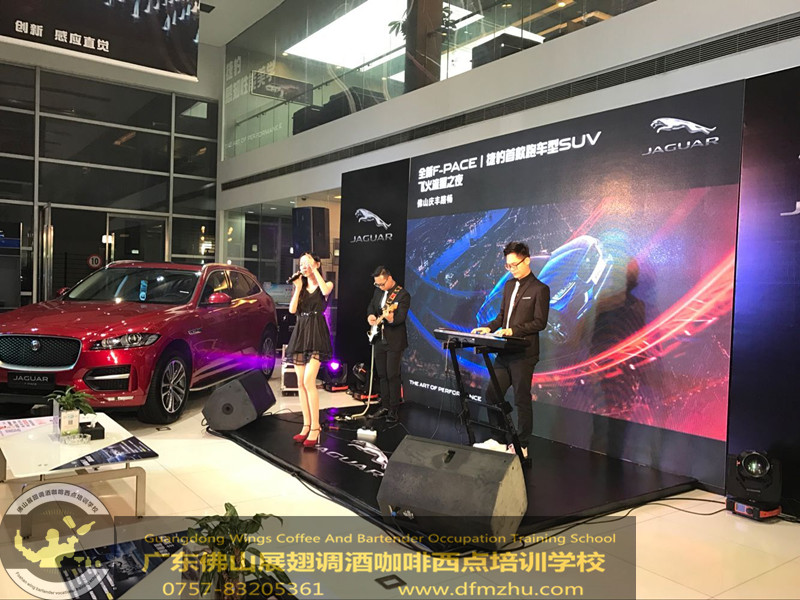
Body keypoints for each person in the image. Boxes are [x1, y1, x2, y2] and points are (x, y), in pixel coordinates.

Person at [471, 241, 549, 456]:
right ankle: (498, 439)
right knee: (492, 394)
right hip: (504, 352)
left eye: (515, 265)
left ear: (527, 260)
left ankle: (522, 444)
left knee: (521, 399)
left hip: (524, 353)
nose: (512, 269)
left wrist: (513, 330)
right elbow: (501, 317)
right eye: (508, 265)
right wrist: (489, 327)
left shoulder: (540, 289)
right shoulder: (508, 286)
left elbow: (540, 322)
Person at [285, 253, 334, 448]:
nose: (303, 267)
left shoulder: (326, 284)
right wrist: (297, 288)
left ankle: (315, 427)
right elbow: (292, 310)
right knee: (300, 383)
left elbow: (325, 290)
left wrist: (314, 271)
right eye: (301, 264)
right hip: (301, 332)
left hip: (316, 333)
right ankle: (306, 425)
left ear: (317, 264)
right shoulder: (301, 287)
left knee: (308, 381)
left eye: (307, 263)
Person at [367, 266, 411, 423]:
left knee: (393, 375)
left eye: (382, 284)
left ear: (389, 278)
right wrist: (370, 316)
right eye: (377, 284)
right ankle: (384, 405)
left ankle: (394, 408)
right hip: (379, 338)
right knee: (382, 374)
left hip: (395, 340)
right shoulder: (378, 291)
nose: (380, 287)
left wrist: (390, 318)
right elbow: (372, 305)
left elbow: (400, 318)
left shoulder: (402, 295)